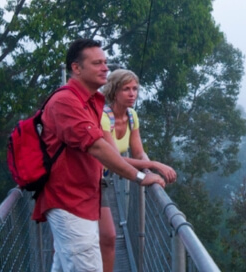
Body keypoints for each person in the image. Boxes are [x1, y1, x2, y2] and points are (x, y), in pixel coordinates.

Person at [31, 38, 165, 272]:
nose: (105, 68)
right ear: (76, 68)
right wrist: (141, 176)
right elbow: (98, 147)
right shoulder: (66, 101)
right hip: (69, 201)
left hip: (85, 197)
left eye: (105, 62)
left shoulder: (90, 102)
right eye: (97, 63)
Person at [97, 69, 177, 271]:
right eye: (126, 89)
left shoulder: (132, 116)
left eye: (135, 89)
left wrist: (149, 169)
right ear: (114, 91)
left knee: (107, 237)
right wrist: (155, 165)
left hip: (102, 181)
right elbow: (115, 159)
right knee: (100, 238)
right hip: (88, 179)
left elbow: (139, 152)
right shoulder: (103, 118)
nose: (132, 94)